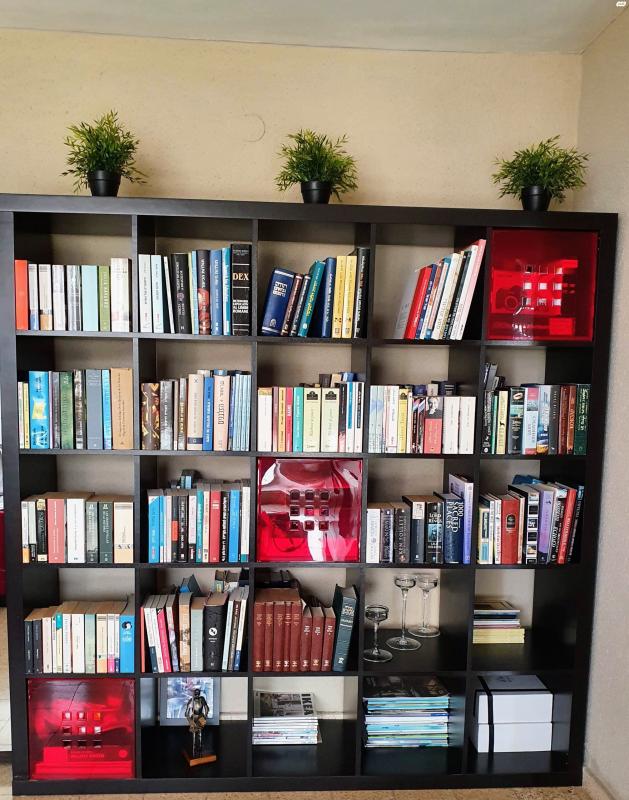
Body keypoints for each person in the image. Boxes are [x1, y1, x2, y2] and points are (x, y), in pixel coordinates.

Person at [184, 688, 209, 757]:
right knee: (194, 732)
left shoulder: (202, 699)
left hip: (201, 716)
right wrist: (191, 721)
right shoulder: (191, 701)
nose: (197, 695)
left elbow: (206, 709)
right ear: (194, 694)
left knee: (200, 732)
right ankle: (194, 746)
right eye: (196, 693)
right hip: (194, 717)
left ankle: (200, 746)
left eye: (198, 693)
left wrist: (204, 717)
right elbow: (186, 713)